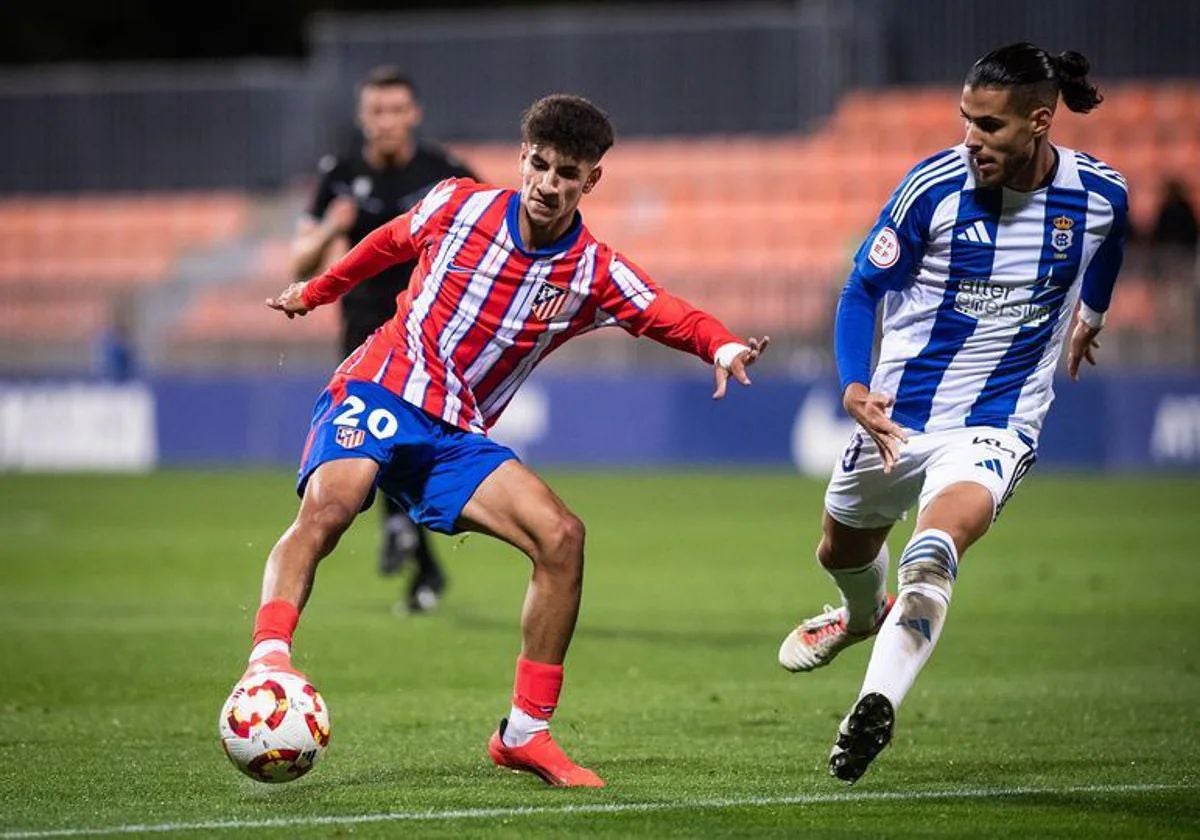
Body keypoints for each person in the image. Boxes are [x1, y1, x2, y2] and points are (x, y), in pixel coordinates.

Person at [250, 93, 769, 787]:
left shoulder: (592, 271)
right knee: (332, 507)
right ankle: (269, 661)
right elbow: (389, 243)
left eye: (568, 173)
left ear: (592, 182)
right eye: (541, 165)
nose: (549, 185)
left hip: (457, 431)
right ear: (523, 158)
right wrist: (317, 291)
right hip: (383, 383)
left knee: (562, 538)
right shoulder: (459, 206)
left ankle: (525, 733)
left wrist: (722, 346)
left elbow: (662, 311)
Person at [776, 43, 1126, 784]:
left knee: (933, 552)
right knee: (839, 550)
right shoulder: (931, 190)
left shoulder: (1097, 196)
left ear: (1039, 121)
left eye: (990, 127)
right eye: (967, 121)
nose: (972, 139)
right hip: (899, 417)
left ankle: (873, 705)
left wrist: (1090, 313)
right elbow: (860, 291)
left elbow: (1110, 242)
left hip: (999, 423)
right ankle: (861, 613)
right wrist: (852, 384)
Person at [291, 66, 475, 613]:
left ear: (414, 114)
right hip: (361, 328)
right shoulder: (340, 174)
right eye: (377, 112)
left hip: (429, 330)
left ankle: (404, 534)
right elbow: (299, 260)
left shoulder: (445, 173)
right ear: (362, 117)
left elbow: (486, 234)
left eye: (397, 110)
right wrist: (331, 227)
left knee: (394, 439)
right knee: (374, 438)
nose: (387, 122)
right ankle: (417, 556)